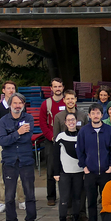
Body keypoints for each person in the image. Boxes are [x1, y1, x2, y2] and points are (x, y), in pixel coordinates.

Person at [0, 92, 37, 221]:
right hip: (9, 161)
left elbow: (27, 139)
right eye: (15, 103)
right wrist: (18, 132)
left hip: (25, 160)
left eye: (20, 103)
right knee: (9, 196)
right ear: (10, 104)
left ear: (24, 105)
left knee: (30, 194)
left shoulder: (29, 118)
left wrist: (12, 135)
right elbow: (2, 141)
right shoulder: (3, 121)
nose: (18, 105)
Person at [78, 103, 111, 221]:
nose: (96, 115)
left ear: (102, 115)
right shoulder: (84, 131)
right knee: (91, 201)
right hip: (90, 172)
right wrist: (84, 166)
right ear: (89, 115)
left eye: (98, 113)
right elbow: (80, 150)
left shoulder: (108, 130)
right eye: (93, 113)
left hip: (106, 172)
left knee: (107, 201)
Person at [0, 81, 25, 215]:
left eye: (13, 88)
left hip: (18, 146)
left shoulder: (20, 107)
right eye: (8, 88)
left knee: (20, 174)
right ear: (3, 90)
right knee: (4, 175)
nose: (11, 90)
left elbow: (25, 127)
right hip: (4, 147)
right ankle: (3, 202)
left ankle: (22, 200)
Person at [54, 113, 84, 221]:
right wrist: (56, 173)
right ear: (65, 123)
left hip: (79, 172)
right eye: (68, 120)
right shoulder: (60, 137)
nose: (71, 122)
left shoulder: (82, 135)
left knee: (77, 198)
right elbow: (55, 156)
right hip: (64, 172)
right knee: (64, 199)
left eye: (73, 120)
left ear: (76, 121)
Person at [40, 77, 65, 206]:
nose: (57, 89)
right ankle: (51, 196)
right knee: (51, 168)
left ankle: (66, 195)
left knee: (65, 168)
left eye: (59, 86)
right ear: (51, 88)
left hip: (66, 140)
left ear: (63, 87)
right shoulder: (46, 104)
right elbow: (42, 123)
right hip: (51, 140)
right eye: (55, 86)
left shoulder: (68, 102)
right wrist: (51, 137)